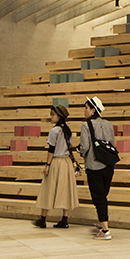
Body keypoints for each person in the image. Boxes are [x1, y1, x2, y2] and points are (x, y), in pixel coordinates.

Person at [33, 104, 80, 228]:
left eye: (53, 114)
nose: (51, 117)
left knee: (48, 189)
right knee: (66, 190)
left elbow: (51, 149)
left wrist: (47, 165)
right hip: (66, 163)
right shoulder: (68, 130)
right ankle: (64, 220)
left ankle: (43, 219)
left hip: (56, 162)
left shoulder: (54, 131)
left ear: (59, 117)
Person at [81, 96, 116, 240]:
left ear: (93, 110)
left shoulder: (86, 125)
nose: (84, 111)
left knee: (98, 197)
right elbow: (112, 143)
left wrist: (81, 152)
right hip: (108, 165)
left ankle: (105, 230)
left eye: (86, 108)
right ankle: (102, 223)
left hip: (94, 165)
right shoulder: (109, 124)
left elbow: (85, 147)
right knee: (103, 196)